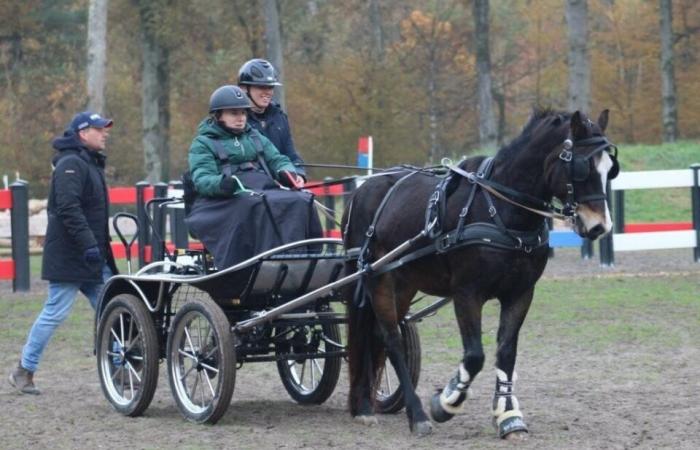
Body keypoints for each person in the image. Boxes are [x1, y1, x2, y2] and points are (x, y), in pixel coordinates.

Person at [8, 111, 118, 395]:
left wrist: (98, 251)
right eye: (99, 129)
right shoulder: (72, 164)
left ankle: (120, 366)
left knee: (114, 310)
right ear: (83, 133)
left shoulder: (88, 163)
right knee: (56, 313)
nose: (105, 133)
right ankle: (24, 369)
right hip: (73, 257)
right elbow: (68, 209)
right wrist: (89, 246)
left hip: (90, 257)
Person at [185, 85, 322, 269]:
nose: (241, 118)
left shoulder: (254, 136)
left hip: (260, 189)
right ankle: (263, 264)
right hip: (223, 199)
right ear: (218, 116)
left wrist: (288, 173)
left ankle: (305, 258)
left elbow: (277, 159)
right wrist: (223, 184)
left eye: (243, 112)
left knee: (301, 200)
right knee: (255, 204)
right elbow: (202, 179)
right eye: (234, 113)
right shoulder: (203, 143)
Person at [237, 58, 306, 179]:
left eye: (270, 87)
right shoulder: (236, 121)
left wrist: (298, 174)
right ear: (244, 88)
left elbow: (291, 155)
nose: (267, 92)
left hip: (281, 185)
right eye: (261, 87)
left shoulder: (280, 117)